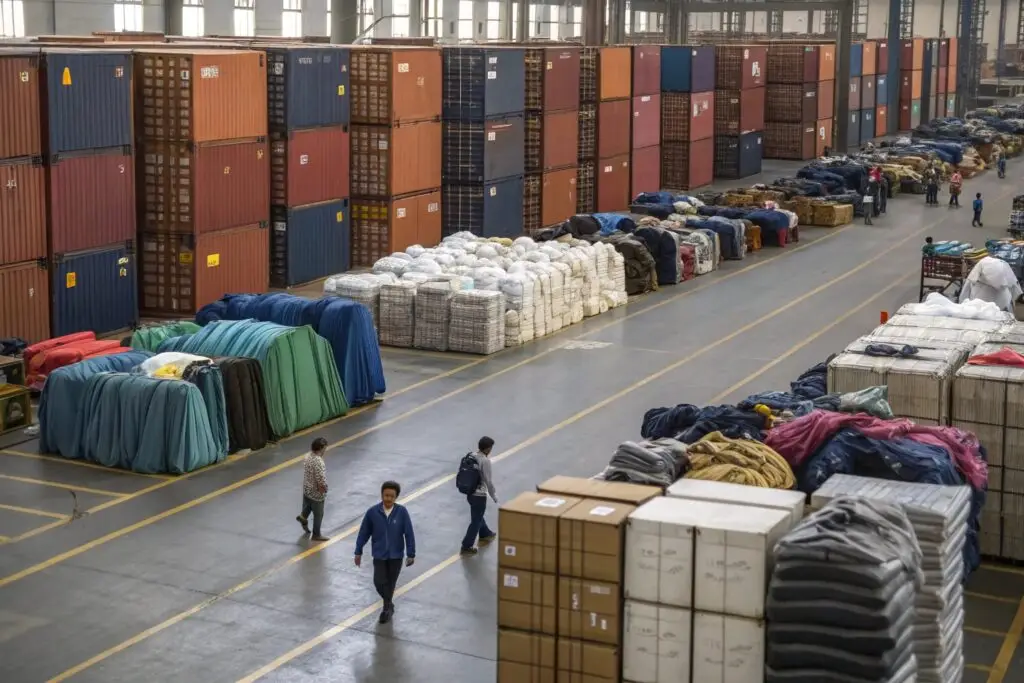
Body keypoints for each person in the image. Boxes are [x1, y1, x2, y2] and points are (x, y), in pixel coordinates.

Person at [354, 481, 416, 624]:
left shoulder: (402, 512)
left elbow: (409, 533)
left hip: (396, 556)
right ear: (382, 495)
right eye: (386, 495)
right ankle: (389, 604)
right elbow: (364, 532)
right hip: (379, 555)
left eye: (391, 496)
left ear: (396, 497)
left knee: (391, 583)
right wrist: (358, 551)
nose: (388, 499)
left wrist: (411, 554)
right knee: (379, 582)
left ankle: (386, 609)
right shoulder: (372, 513)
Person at [458, 436, 498, 555]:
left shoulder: (471, 455)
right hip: (479, 495)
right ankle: (466, 546)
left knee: (477, 515)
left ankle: (485, 533)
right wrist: (493, 495)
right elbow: (488, 481)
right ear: (487, 449)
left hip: (470, 493)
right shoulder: (485, 461)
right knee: (476, 520)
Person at [296, 437, 330, 542]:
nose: (325, 450)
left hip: (307, 489)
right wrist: (324, 489)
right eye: (325, 448)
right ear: (321, 448)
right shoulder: (319, 462)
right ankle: (316, 534)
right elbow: (321, 480)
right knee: (318, 514)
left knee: (309, 505)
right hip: (316, 492)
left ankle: (303, 516)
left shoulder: (308, 456)